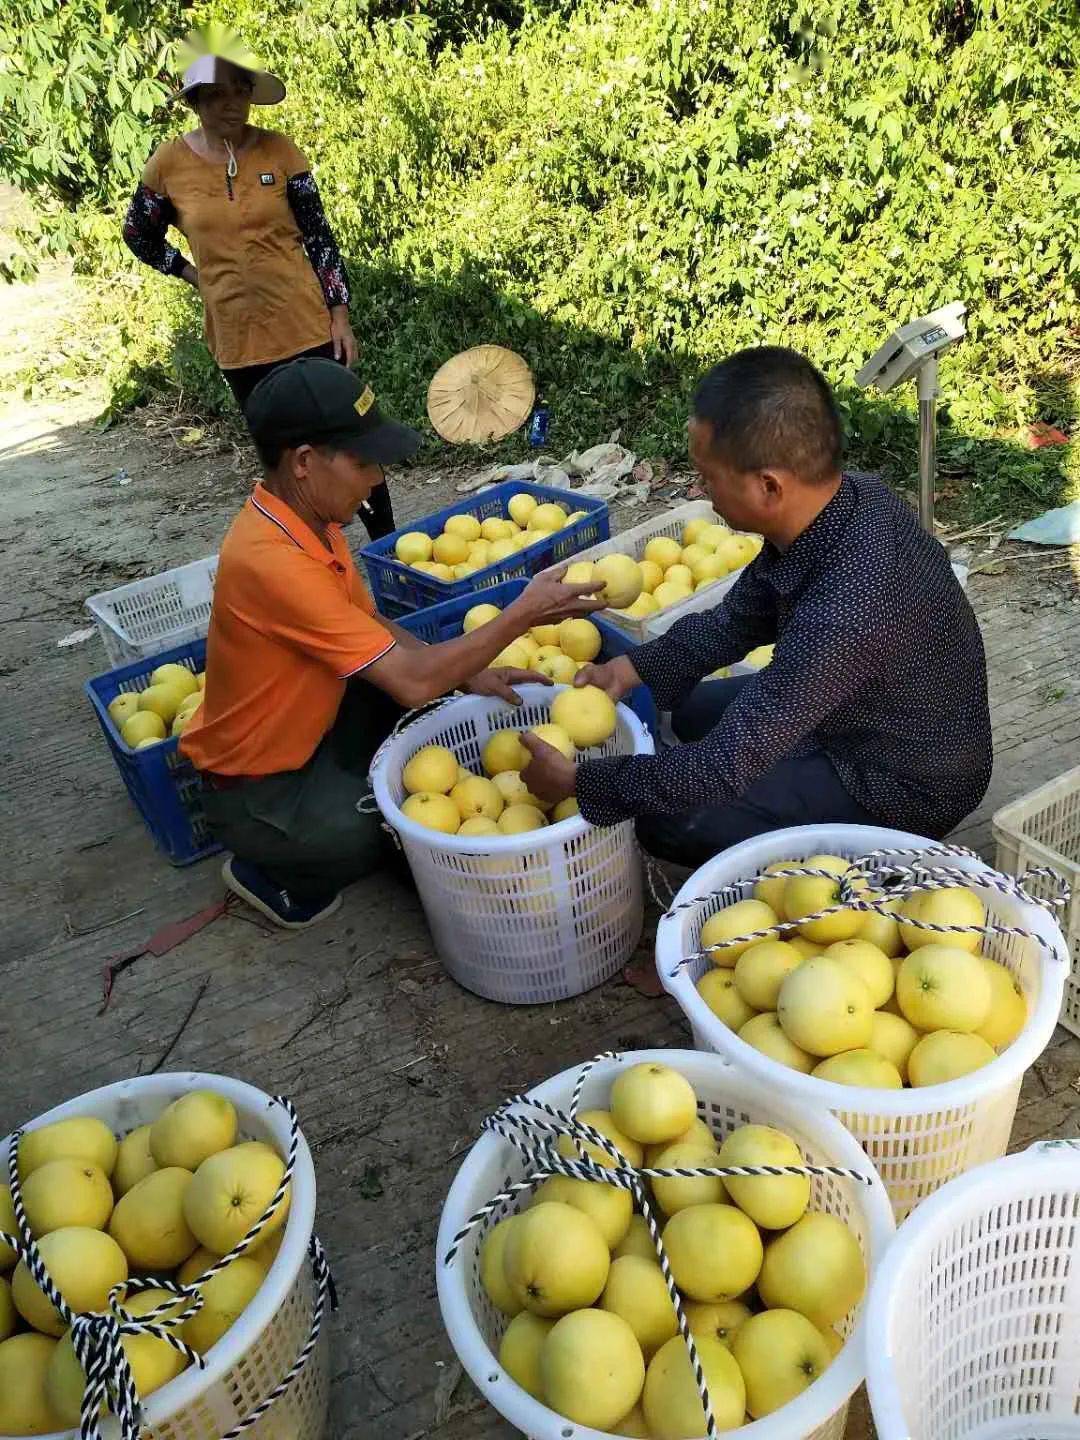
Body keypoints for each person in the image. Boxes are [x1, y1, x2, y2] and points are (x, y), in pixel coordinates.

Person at [521, 346, 993, 866]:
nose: (700, 489)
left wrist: (581, 782)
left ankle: (864, 851)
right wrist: (631, 669)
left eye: (708, 477)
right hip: (850, 710)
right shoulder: (846, 499)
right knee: (693, 712)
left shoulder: (855, 601)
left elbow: (727, 764)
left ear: (769, 485)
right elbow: (741, 616)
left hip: (899, 779)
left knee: (668, 820)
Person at [180, 358, 603, 929]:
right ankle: (269, 869)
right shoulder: (270, 561)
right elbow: (410, 680)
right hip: (257, 788)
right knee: (383, 833)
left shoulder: (311, 523)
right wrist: (522, 614)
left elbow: (370, 621)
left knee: (436, 714)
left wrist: (469, 673)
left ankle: (343, 788)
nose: (377, 478)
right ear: (305, 463)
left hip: (319, 723)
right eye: (362, 461)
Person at [122, 48, 394, 540]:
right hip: (239, 341)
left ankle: (390, 552)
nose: (232, 105)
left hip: (307, 325)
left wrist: (340, 313)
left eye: (241, 93)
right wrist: (188, 272)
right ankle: (315, 559)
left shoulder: (280, 151)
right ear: (195, 102)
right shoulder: (169, 163)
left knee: (352, 438)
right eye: (218, 95)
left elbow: (318, 237)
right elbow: (138, 235)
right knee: (289, 461)